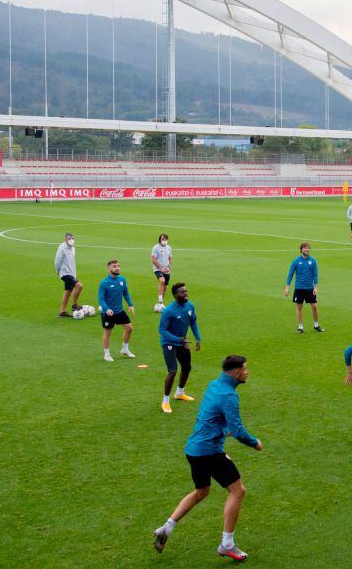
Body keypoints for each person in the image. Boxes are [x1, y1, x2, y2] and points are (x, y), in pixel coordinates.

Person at [151, 355, 262, 561]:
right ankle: (226, 544)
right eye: (245, 369)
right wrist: (255, 443)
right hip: (209, 451)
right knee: (238, 491)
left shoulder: (214, 385)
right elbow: (238, 431)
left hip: (193, 449)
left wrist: (223, 428)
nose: (247, 372)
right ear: (236, 373)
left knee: (201, 491)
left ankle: (166, 528)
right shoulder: (229, 395)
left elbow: (210, 413)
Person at [159, 282, 202, 414]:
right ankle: (165, 401)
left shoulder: (190, 306)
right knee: (172, 371)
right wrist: (178, 339)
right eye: (183, 292)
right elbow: (162, 330)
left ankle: (179, 393)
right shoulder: (169, 311)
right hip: (169, 343)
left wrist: (198, 338)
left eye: (186, 291)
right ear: (175, 295)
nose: (186, 294)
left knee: (187, 367)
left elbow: (193, 321)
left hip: (182, 341)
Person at [98, 259, 135, 362]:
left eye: (118, 266)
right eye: (114, 266)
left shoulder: (122, 279)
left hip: (119, 311)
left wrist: (130, 304)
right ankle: (107, 354)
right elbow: (101, 299)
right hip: (108, 313)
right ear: (109, 269)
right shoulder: (104, 283)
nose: (117, 268)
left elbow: (125, 293)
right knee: (107, 332)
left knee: (129, 328)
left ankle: (125, 349)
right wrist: (106, 309)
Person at [284, 242, 323, 333]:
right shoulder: (296, 261)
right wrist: (287, 288)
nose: (307, 249)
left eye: (308, 248)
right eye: (305, 248)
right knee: (299, 307)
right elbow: (290, 275)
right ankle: (300, 327)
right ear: (301, 250)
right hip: (299, 288)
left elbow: (315, 275)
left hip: (310, 288)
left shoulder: (313, 261)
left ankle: (316, 325)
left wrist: (315, 287)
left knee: (314, 306)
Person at [55, 232, 83, 317]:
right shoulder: (61, 249)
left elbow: (72, 262)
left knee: (68, 291)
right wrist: (58, 271)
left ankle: (62, 311)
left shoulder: (73, 248)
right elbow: (57, 261)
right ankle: (74, 305)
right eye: (69, 239)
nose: (71, 240)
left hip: (71, 273)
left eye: (72, 238)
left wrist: (74, 274)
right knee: (79, 286)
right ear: (65, 239)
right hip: (65, 273)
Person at [152, 233, 173, 307]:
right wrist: (160, 268)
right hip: (157, 269)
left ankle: (161, 303)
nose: (164, 241)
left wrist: (169, 267)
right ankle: (160, 298)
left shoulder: (169, 248)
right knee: (162, 280)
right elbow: (153, 260)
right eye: (163, 239)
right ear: (160, 240)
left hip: (167, 269)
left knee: (165, 287)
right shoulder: (156, 248)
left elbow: (170, 258)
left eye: (165, 239)